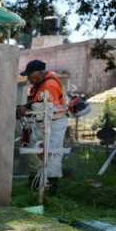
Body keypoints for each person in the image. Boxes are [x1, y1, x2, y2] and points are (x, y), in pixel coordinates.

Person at [17, 59, 68, 193]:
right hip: (44, 123)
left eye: (30, 75)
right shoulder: (40, 83)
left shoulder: (49, 85)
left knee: (51, 153)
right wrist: (26, 107)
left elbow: (44, 108)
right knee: (35, 150)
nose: (29, 79)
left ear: (39, 72)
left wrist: (26, 110)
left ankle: (50, 187)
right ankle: (36, 182)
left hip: (54, 124)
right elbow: (37, 101)